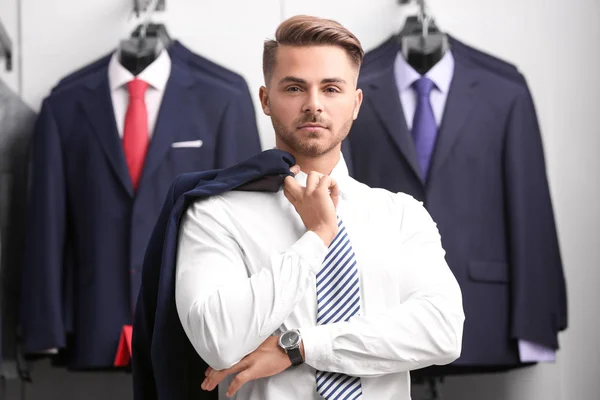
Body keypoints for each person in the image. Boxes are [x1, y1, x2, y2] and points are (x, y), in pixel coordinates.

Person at [174, 15, 464, 400]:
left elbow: (442, 332)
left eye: (331, 89)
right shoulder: (216, 215)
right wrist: (316, 237)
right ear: (265, 99)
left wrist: (298, 347)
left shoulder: (400, 216)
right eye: (294, 88)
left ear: (355, 102)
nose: (313, 105)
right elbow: (217, 341)